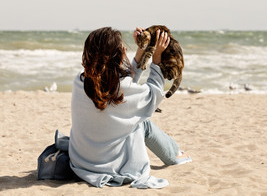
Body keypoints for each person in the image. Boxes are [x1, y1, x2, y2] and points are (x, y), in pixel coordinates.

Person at [68, 27, 191, 189]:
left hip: (81, 160)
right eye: (121, 47)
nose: (125, 48)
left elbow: (124, 84)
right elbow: (153, 96)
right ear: (113, 55)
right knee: (142, 121)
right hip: (108, 164)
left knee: (133, 117)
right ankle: (174, 154)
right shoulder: (121, 88)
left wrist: (141, 49)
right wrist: (157, 59)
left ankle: (174, 151)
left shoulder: (80, 80)